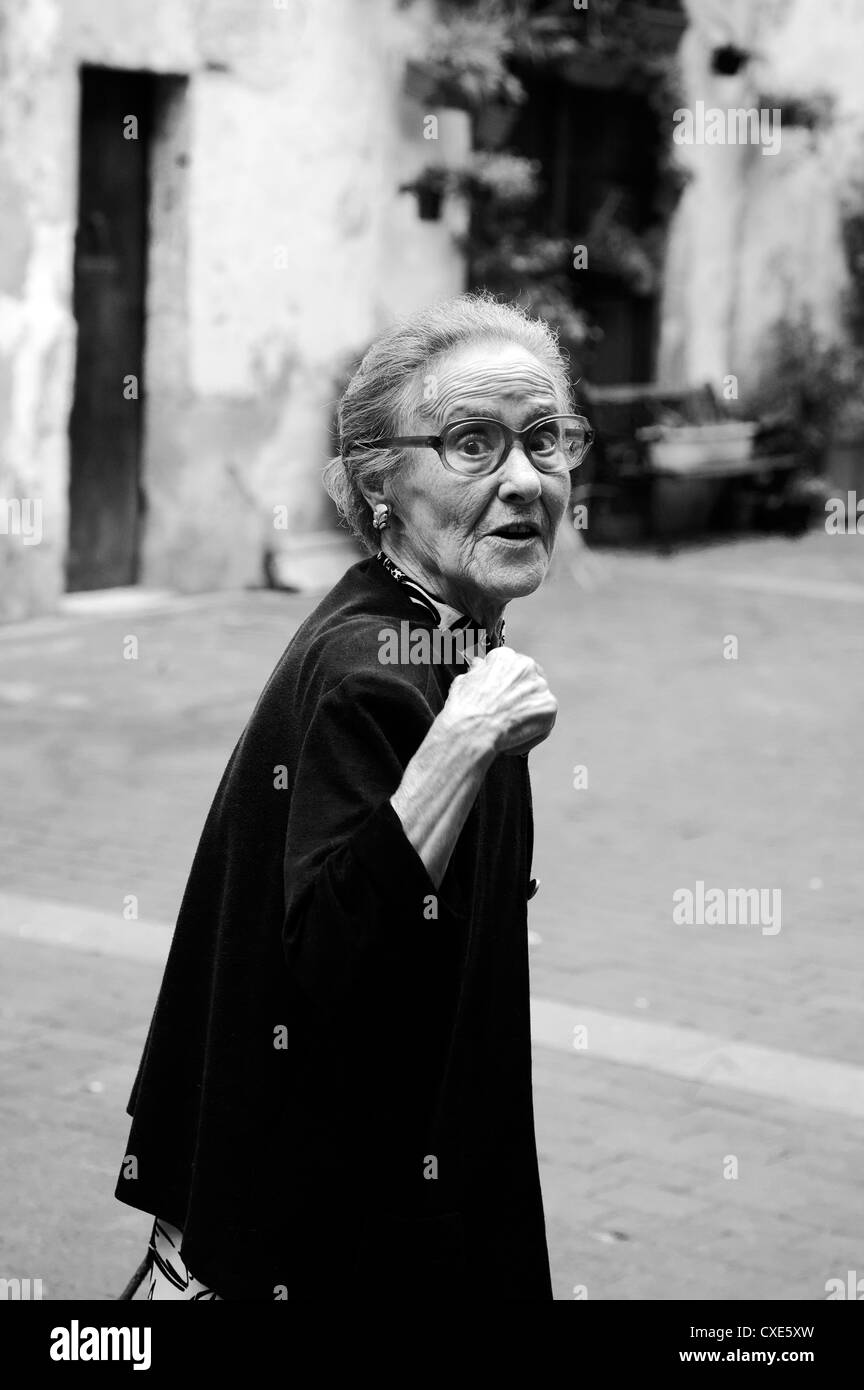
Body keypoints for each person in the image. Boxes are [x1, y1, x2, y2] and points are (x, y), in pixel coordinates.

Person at [114, 292, 594, 1300]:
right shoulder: (379, 670)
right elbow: (334, 954)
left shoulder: (427, 631)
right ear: (379, 488)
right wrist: (460, 746)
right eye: (473, 443)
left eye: (546, 439)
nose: (524, 480)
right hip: (324, 1247)